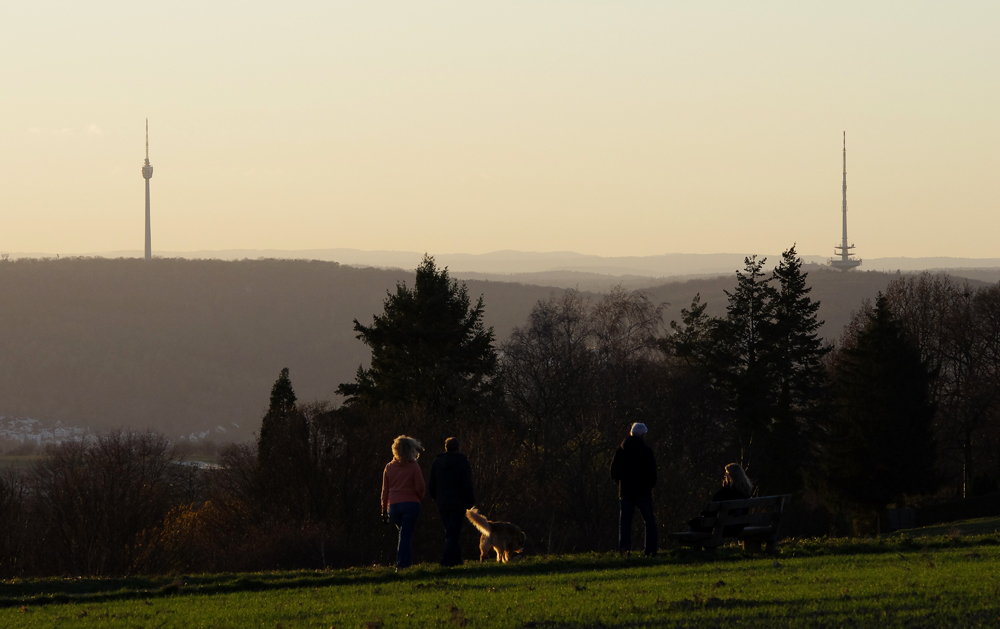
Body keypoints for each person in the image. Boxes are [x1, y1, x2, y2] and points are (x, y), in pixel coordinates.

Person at [610, 422, 658, 556]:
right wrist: (649, 485)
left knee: (625, 524)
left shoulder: (621, 450)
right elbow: (652, 472)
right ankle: (650, 551)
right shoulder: (646, 451)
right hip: (643, 492)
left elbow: (613, 472)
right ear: (643, 435)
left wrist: (621, 484)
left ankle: (624, 551)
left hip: (625, 492)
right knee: (649, 523)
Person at [427, 437, 476, 566]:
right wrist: (470, 501)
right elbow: (467, 484)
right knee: (453, 533)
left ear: (446, 447)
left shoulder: (436, 462)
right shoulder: (463, 462)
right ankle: (446, 562)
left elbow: (431, 485)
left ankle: (457, 559)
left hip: (442, 503)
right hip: (458, 503)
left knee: (450, 531)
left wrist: (437, 499)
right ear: (458, 447)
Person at [381, 435, 426, 570]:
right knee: (405, 534)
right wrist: (419, 497)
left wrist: (384, 510)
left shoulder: (389, 467)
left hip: (394, 507)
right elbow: (421, 487)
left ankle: (406, 562)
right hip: (411, 504)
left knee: (404, 534)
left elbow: (385, 491)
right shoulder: (414, 467)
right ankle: (402, 564)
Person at [688, 463, 754, 534]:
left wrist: (703, 514)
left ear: (731, 476)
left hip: (722, 527)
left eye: (726, 474)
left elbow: (711, 511)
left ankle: (706, 544)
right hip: (738, 527)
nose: (725, 476)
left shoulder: (725, 491)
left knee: (693, 525)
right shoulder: (746, 492)